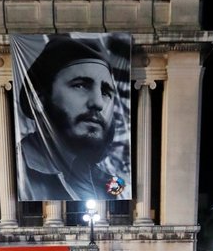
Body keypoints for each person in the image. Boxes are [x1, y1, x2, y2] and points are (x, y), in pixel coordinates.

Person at [14, 33, 131, 200]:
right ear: (38, 100)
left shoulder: (110, 185)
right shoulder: (14, 171)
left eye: (105, 92)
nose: (98, 103)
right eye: (81, 85)